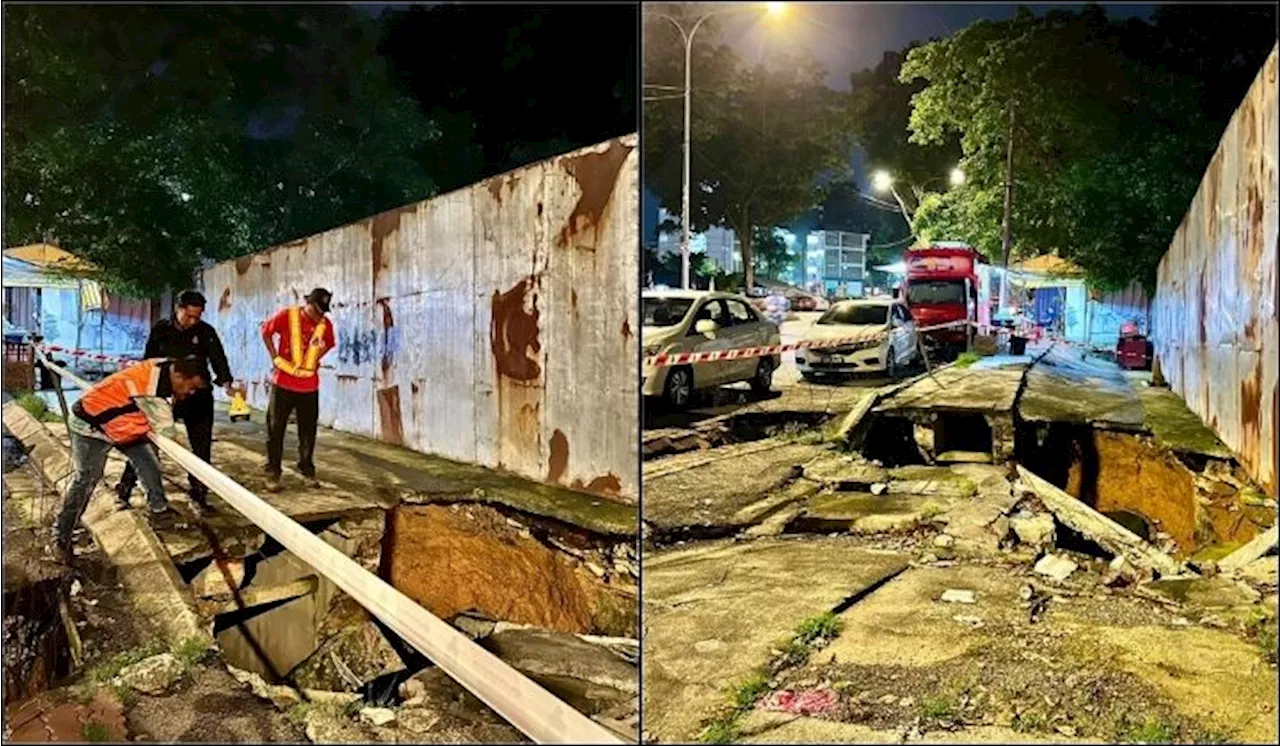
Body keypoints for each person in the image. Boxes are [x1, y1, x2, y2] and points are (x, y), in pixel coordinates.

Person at [49, 357, 209, 563]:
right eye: (191, 387)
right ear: (177, 376)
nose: (190, 393)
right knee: (87, 479)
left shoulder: (162, 367)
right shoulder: (152, 389)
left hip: (121, 425)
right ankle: (61, 536)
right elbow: (167, 431)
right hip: (90, 425)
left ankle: (159, 510)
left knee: (148, 463)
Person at [116, 290, 233, 513]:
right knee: (144, 443)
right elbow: (148, 363)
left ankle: (199, 496)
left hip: (198, 397)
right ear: (178, 310)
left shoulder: (206, 332)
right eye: (188, 316)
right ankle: (124, 490)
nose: (192, 321)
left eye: (197, 317)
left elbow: (219, 359)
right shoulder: (161, 330)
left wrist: (227, 383)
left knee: (201, 450)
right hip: (165, 398)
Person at [261, 288, 335, 492]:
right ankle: (273, 471)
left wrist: (315, 358)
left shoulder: (324, 325)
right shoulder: (288, 316)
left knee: (308, 430)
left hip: (309, 386)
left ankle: (306, 469)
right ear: (308, 304)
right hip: (283, 383)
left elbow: (330, 343)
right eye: (316, 310)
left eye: (323, 312)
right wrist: (274, 357)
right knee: (276, 429)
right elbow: (266, 332)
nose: (319, 315)